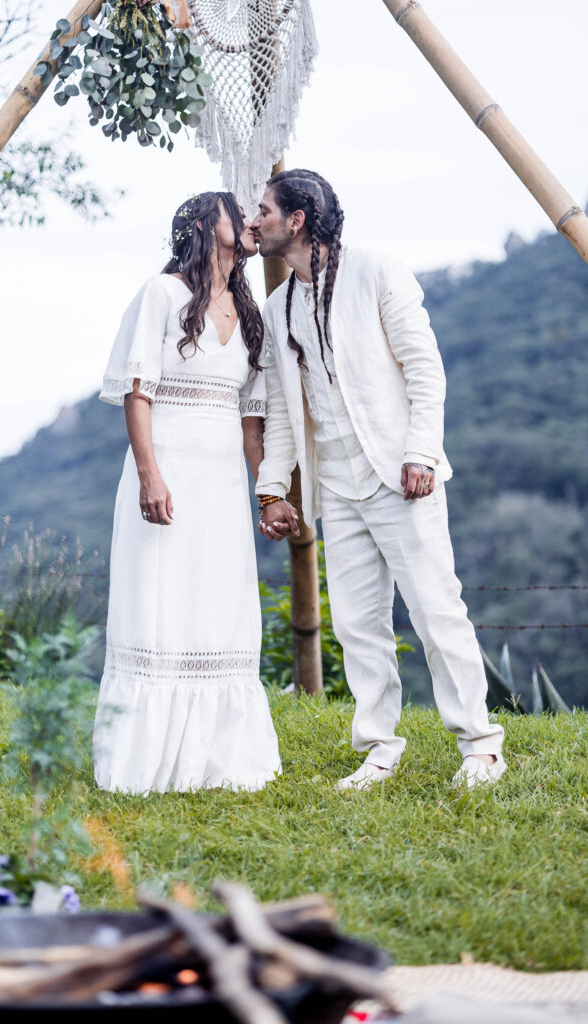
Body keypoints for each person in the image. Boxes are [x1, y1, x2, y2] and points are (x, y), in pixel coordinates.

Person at [251, 168, 506, 791]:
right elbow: (285, 409)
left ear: (297, 219)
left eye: (263, 210)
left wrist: (421, 452)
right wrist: (272, 487)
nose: (253, 221)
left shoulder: (377, 271)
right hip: (335, 485)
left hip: (400, 475)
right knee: (357, 624)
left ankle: (481, 746)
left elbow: (425, 369)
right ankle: (380, 749)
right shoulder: (277, 304)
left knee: (435, 610)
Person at [93, 191, 281, 795]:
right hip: (167, 471)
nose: (251, 222)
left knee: (218, 611)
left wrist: (266, 494)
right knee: (160, 606)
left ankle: (219, 761)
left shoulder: (249, 308)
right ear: (206, 226)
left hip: (222, 483)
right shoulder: (162, 294)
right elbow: (137, 390)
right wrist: (149, 473)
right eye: (238, 213)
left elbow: (252, 418)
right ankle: (145, 761)